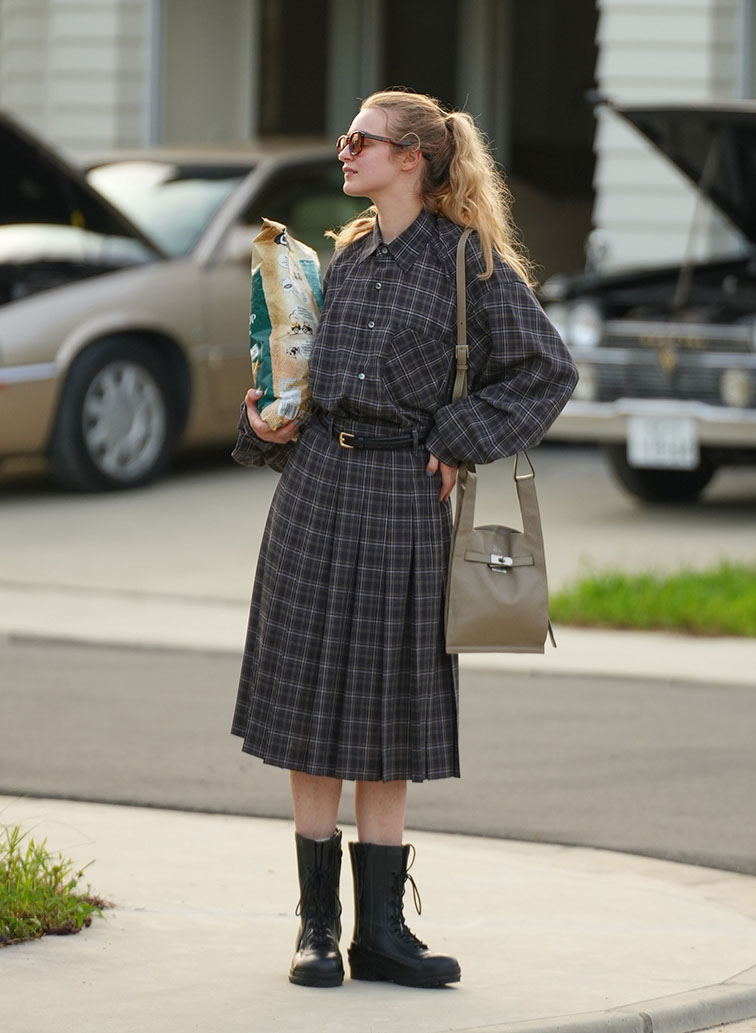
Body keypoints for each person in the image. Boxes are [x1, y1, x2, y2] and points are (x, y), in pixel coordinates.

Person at [231, 89, 578, 990]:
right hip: (315, 492)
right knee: (311, 704)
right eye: (346, 138)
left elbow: (548, 370)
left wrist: (460, 437)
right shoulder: (339, 261)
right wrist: (268, 425)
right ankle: (317, 929)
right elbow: (303, 378)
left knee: (386, 708)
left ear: (412, 158)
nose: (344, 152)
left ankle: (381, 933)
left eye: (361, 140)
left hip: (401, 499)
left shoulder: (474, 264)